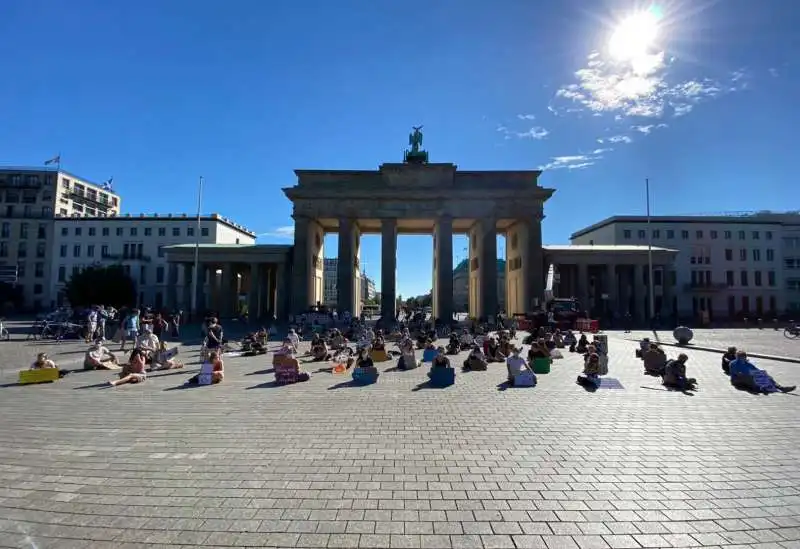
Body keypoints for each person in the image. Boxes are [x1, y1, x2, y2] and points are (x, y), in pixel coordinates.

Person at [728, 351, 795, 394]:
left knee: (767, 376)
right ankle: (759, 389)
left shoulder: (747, 363)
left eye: (744, 358)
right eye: (741, 358)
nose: (743, 359)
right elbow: (737, 374)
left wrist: (761, 373)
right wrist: (749, 374)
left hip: (748, 377)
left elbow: (756, 369)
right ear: (737, 358)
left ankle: (781, 388)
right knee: (749, 378)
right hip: (737, 379)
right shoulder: (733, 363)